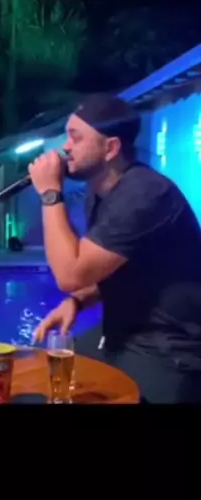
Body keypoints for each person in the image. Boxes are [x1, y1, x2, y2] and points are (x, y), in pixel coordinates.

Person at [30, 93, 201, 403]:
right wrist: (77, 302)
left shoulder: (146, 193)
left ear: (110, 148)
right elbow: (106, 267)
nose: (65, 147)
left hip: (169, 347)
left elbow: (70, 274)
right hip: (122, 334)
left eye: (75, 137)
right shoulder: (100, 193)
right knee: (45, 379)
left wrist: (50, 193)